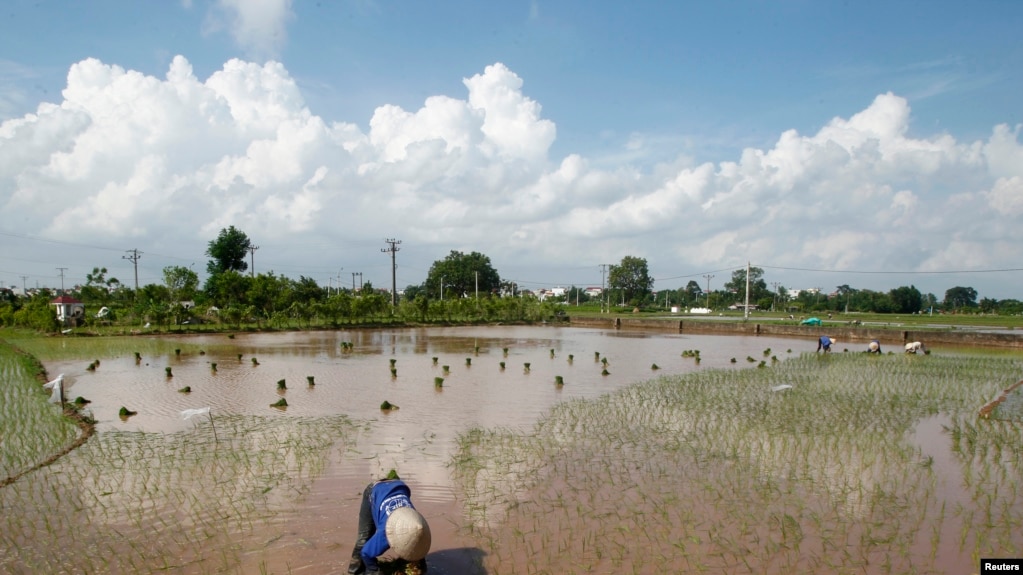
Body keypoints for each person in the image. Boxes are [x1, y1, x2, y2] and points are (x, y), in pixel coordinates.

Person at [349, 474, 431, 575]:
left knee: (418, 564)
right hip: (375, 490)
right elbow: (366, 553)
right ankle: (354, 571)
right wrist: (374, 570)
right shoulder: (386, 532)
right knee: (364, 538)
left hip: (400, 487)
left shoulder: (419, 526)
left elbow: (419, 554)